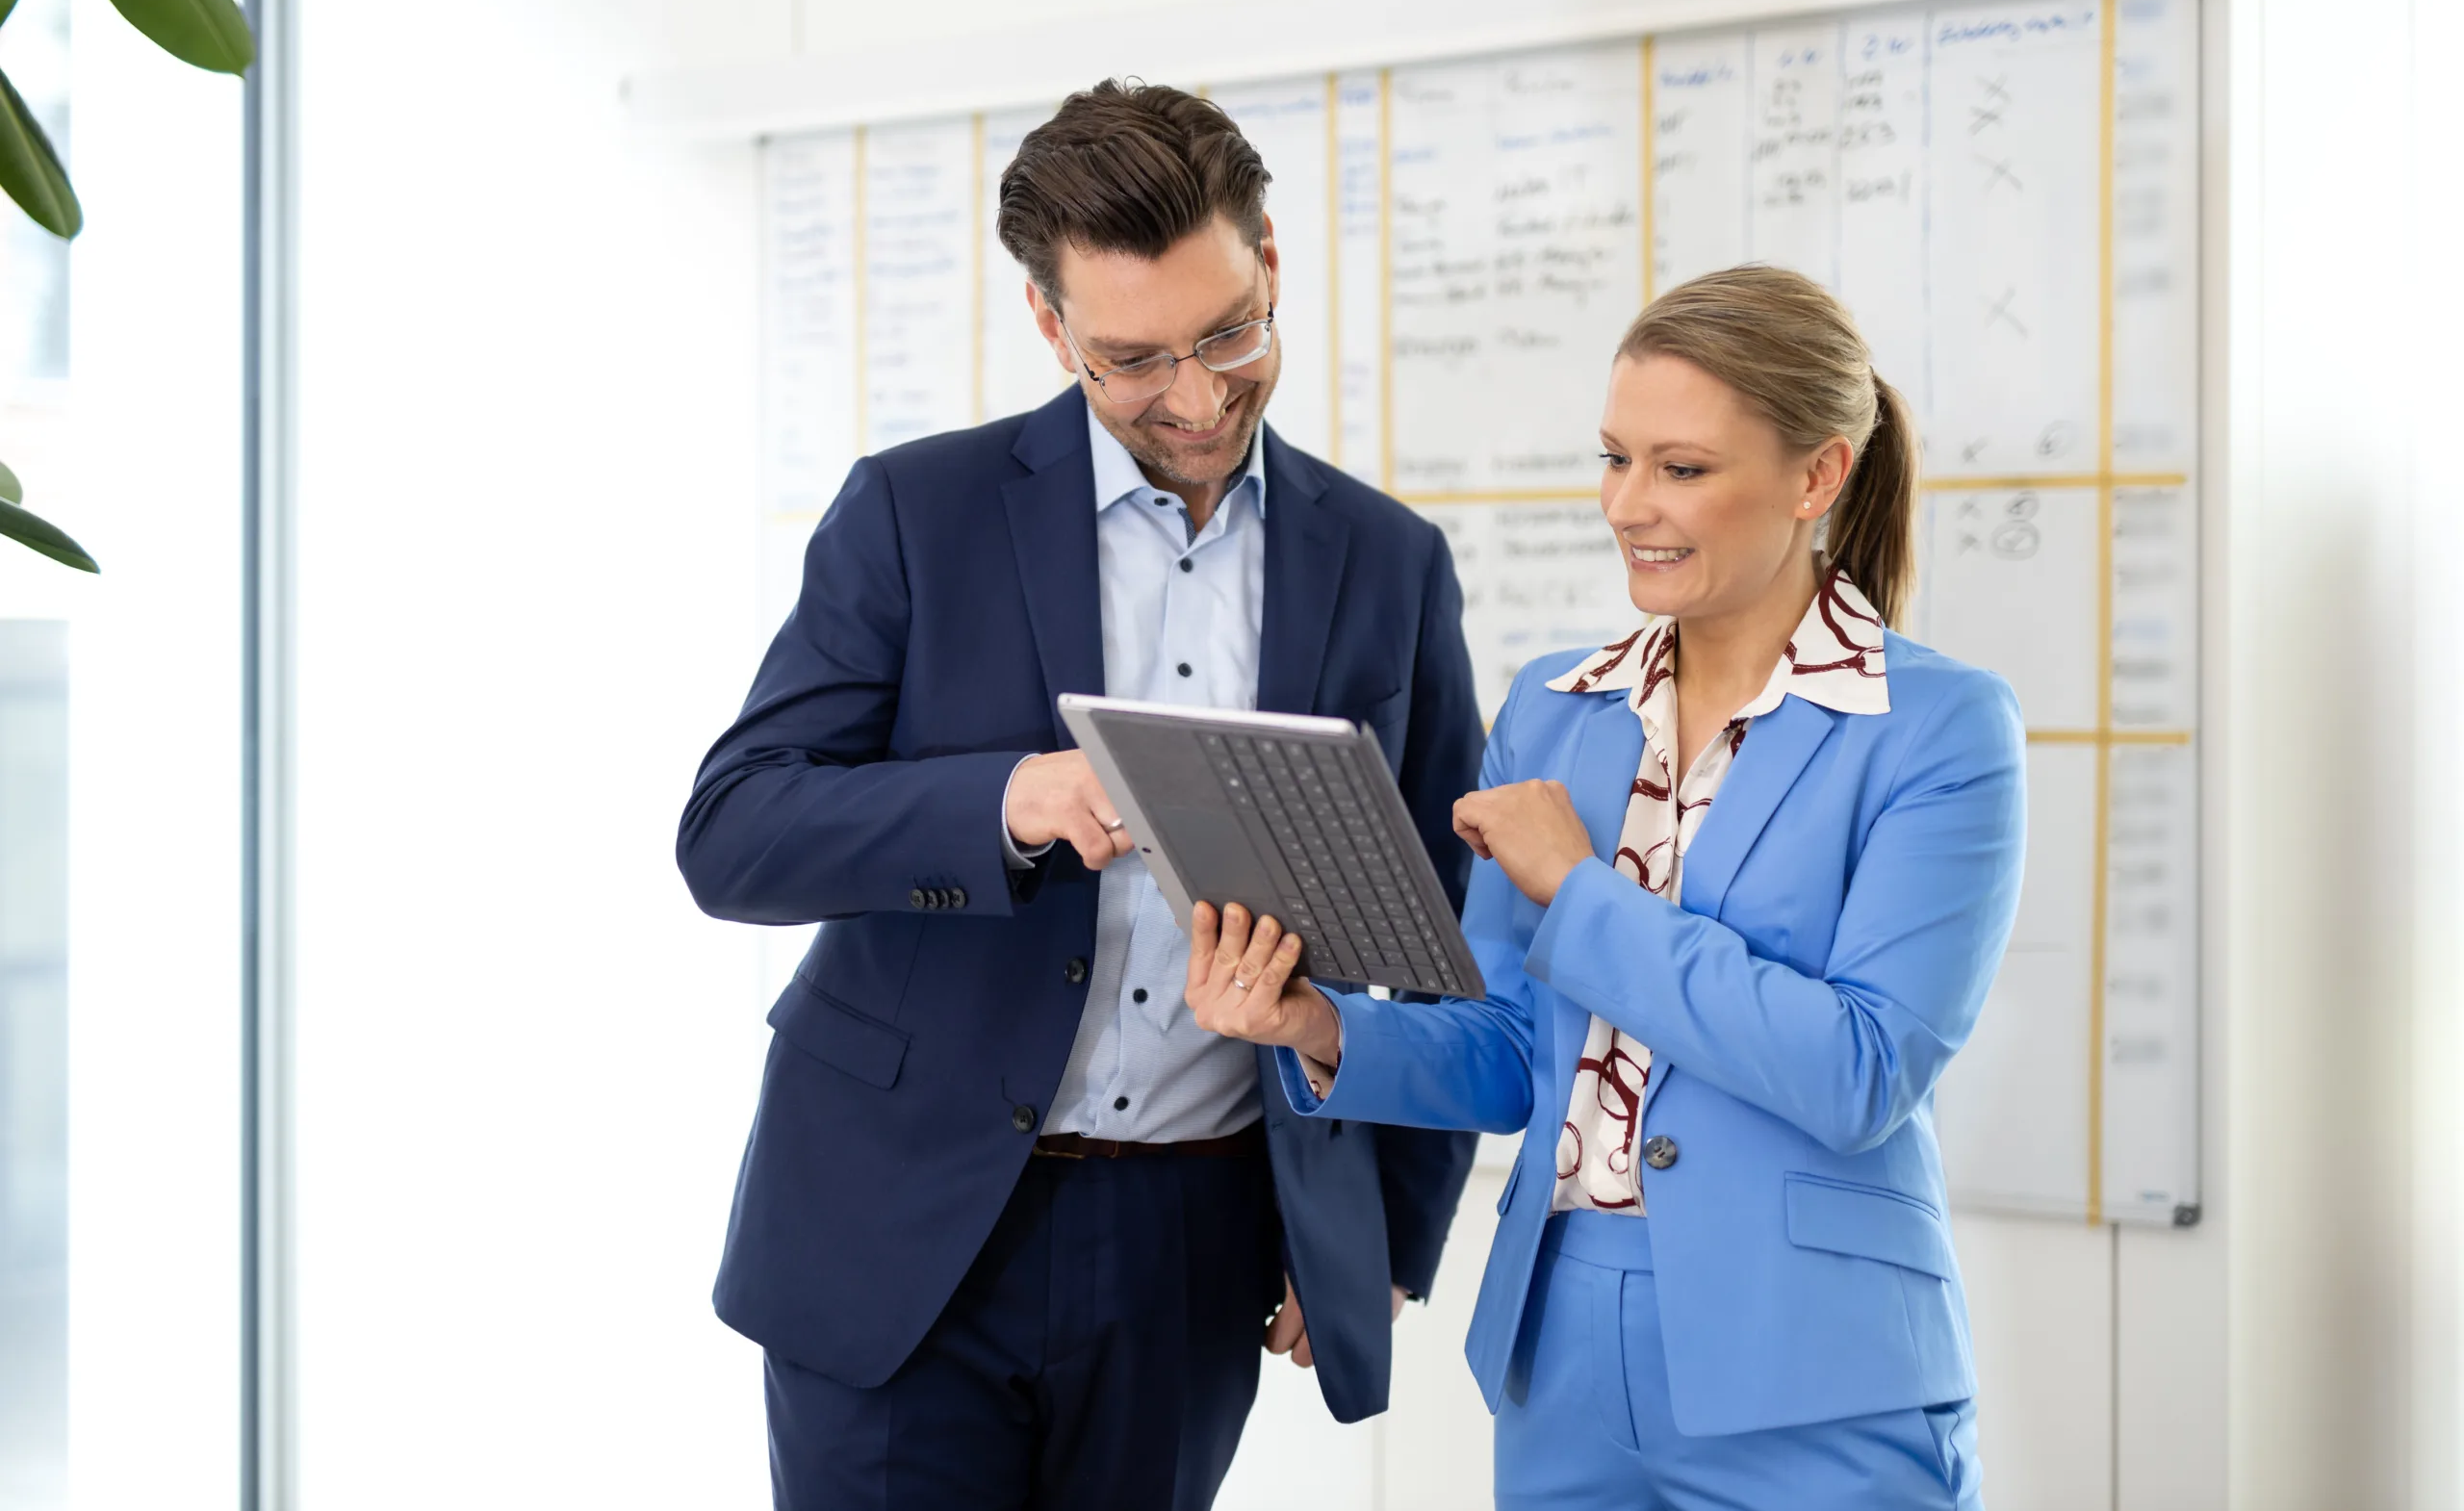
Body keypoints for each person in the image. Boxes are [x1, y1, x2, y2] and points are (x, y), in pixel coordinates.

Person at [677, 79, 1484, 1510]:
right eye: (1132, 358)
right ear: (1051, 327)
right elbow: (735, 830)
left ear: (1273, 259)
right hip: (900, 1226)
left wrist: (1377, 1233)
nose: (1194, 394)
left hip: (1194, 1234)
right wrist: (1005, 801)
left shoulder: (1387, 562)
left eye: (1230, 333)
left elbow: (1438, 928)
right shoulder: (916, 514)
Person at [1189, 264, 2025, 1510]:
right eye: (1615, 458)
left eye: (1682, 468)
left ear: (1819, 476)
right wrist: (1315, 1023)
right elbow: (1509, 1050)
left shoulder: (1939, 730)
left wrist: (1581, 892)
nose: (1630, 504)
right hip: (1563, 1342)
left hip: (1815, 1367)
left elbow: (1858, 1070)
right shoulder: (1554, 709)